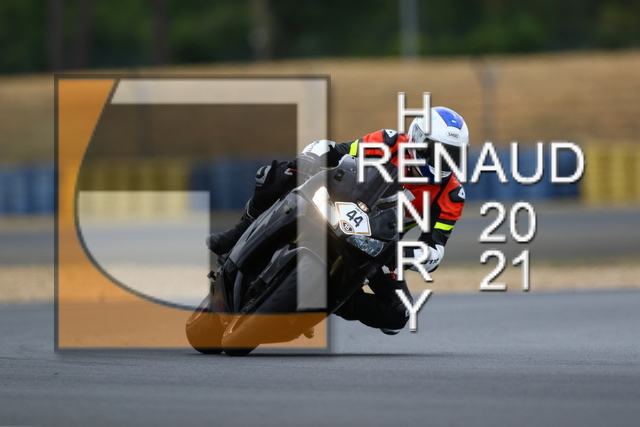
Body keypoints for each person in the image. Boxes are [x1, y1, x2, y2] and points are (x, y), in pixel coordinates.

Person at [207, 106, 469, 334]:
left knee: (397, 315)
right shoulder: (389, 142)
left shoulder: (452, 194)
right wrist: (311, 158)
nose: (443, 162)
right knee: (278, 174)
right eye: (436, 151)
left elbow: (435, 248)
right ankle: (239, 233)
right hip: (336, 204)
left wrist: (408, 255)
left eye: (453, 155)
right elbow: (334, 150)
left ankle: (316, 304)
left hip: (379, 243)